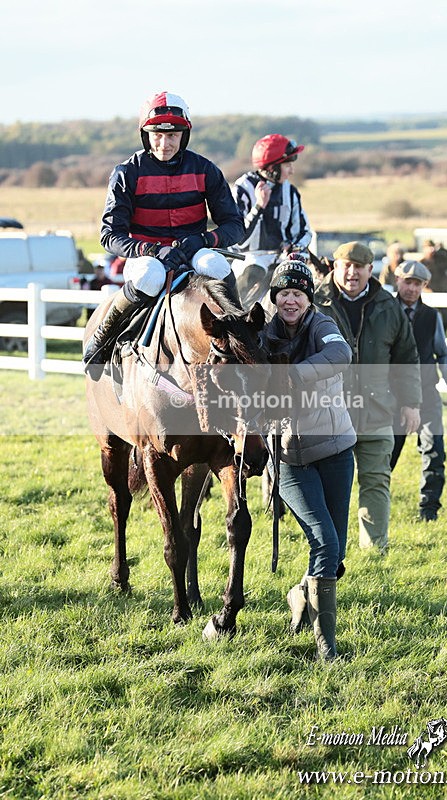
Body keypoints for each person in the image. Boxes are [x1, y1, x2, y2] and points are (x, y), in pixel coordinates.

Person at [83, 91, 244, 365]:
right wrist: (152, 250)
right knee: (151, 275)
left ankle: (242, 331)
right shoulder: (126, 173)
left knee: (215, 264)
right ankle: (104, 336)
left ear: (184, 135)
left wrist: (204, 239)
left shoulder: (206, 170)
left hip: (193, 252)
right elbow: (109, 236)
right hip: (146, 258)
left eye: (172, 135)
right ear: (145, 135)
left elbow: (235, 226)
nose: (164, 143)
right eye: (157, 135)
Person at [262, 258, 356, 660]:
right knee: (325, 543)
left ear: (308, 299)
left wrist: (294, 375)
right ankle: (326, 649)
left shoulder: (322, 325)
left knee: (336, 552)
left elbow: (341, 353)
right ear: (274, 297)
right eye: (284, 292)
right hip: (287, 459)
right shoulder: (261, 334)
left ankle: (301, 593)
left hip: (336, 450)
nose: (291, 300)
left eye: (298, 293)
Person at [314, 242, 421, 552]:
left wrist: (411, 403)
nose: (352, 272)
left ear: (370, 270)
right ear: (335, 266)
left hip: (376, 411)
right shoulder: (315, 303)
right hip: (328, 415)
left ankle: (375, 549)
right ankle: (329, 550)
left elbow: (406, 357)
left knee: (376, 481)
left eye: (359, 267)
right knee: (331, 488)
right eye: (346, 265)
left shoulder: (388, 306)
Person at [390, 260, 447, 521]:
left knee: (434, 452)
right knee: (387, 454)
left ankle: (429, 509)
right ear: (398, 280)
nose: (412, 288)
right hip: (392, 395)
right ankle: (377, 505)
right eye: (408, 282)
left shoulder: (432, 316)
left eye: (418, 284)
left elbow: (443, 354)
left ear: (424, 286)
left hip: (427, 394)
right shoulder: (385, 312)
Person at [232, 134, 312, 303]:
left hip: (281, 257)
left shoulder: (290, 191)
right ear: (272, 168)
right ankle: (236, 314)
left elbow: (304, 231)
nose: (292, 171)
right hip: (247, 258)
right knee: (254, 272)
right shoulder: (243, 188)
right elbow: (238, 239)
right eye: (287, 165)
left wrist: (295, 247)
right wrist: (259, 206)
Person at [420, 239, 447, 332]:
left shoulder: (442, 260)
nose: (431, 250)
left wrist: (446, 283)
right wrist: (425, 289)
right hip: (428, 296)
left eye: (432, 247)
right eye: (428, 247)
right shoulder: (421, 263)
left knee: (445, 319)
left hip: (443, 293)